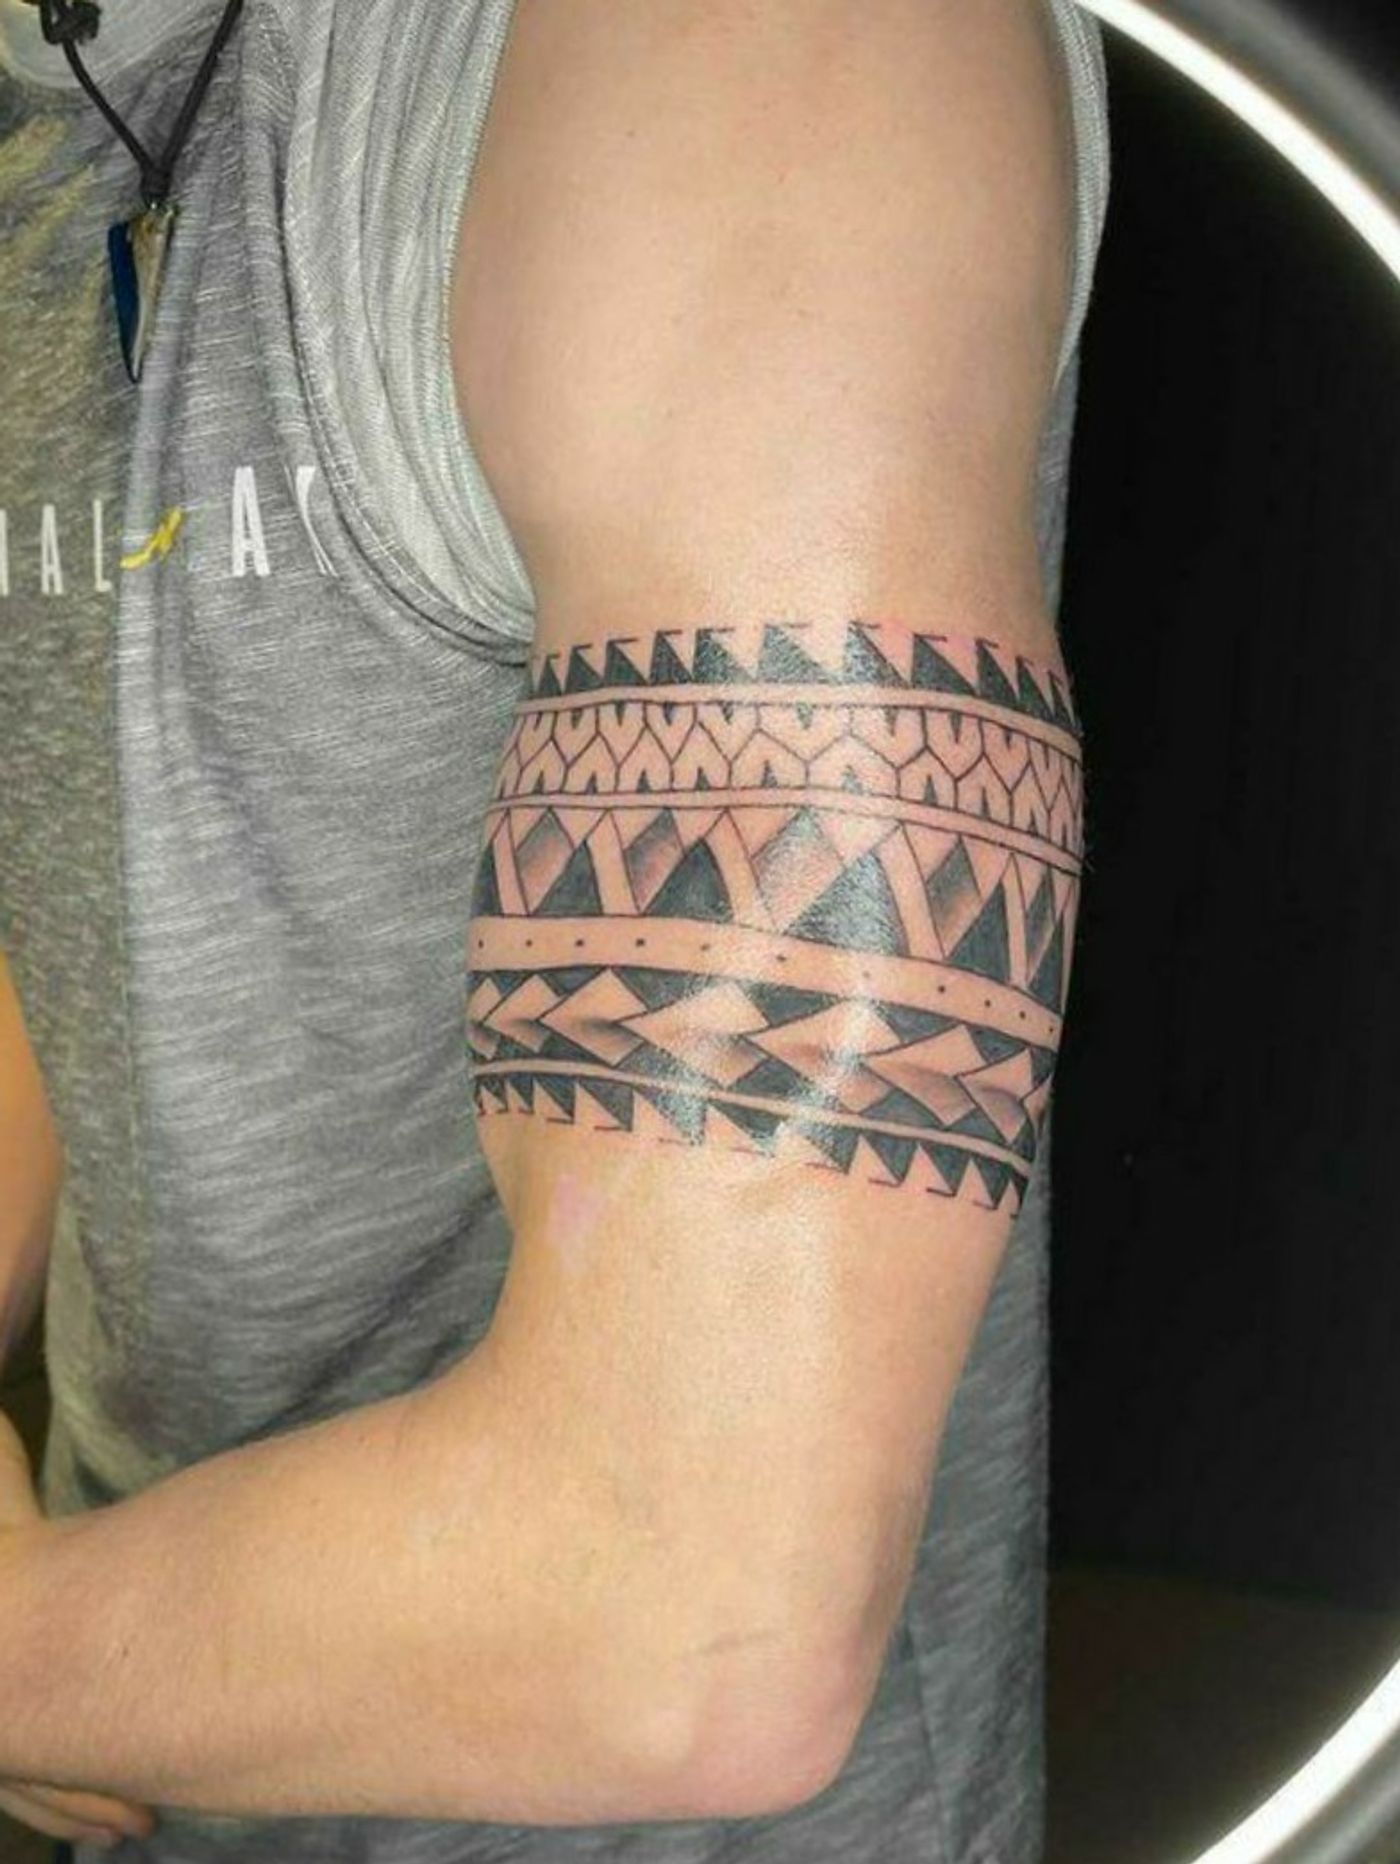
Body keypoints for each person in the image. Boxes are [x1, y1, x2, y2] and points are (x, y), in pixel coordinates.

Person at [0, 0, 1109, 1857]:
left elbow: (686, 1613)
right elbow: (88, 840)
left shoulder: (759, 55)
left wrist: (24, 1650)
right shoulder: (56, 75)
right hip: (157, 1728)